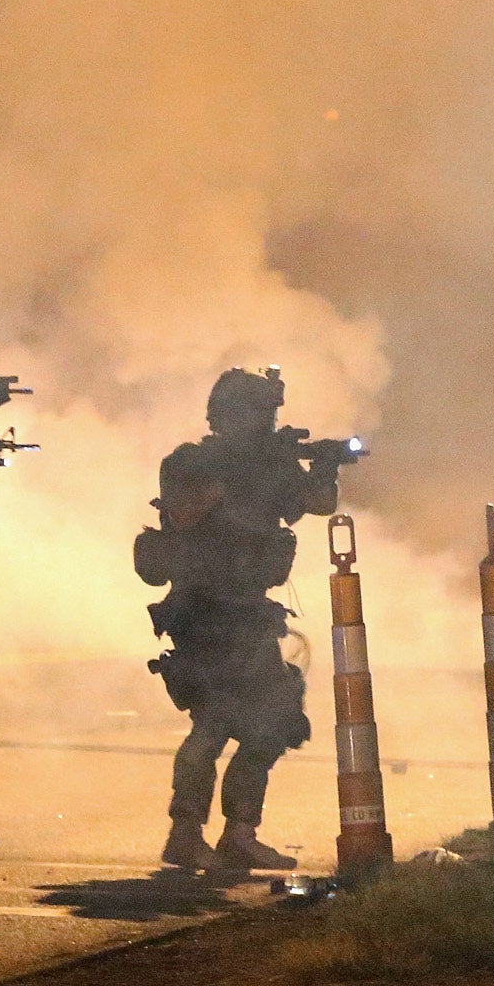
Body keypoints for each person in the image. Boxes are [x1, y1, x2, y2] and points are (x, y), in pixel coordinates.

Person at [137, 367, 341, 875]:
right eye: (261, 415)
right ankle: (185, 833)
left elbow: (320, 502)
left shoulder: (267, 465)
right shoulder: (189, 463)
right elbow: (186, 514)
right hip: (203, 611)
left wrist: (325, 465)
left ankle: (238, 834)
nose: (268, 424)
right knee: (213, 724)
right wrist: (254, 470)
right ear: (230, 416)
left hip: (249, 612)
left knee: (274, 722)